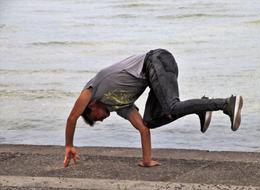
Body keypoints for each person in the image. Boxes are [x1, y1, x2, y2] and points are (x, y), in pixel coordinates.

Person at [63, 48, 243, 167]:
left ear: (91, 105)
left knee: (171, 107)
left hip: (157, 60)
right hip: (156, 76)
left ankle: (226, 103)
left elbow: (72, 118)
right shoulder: (121, 107)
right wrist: (146, 160)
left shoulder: (92, 90)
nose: (101, 119)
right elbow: (143, 129)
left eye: (95, 117)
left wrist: (69, 145)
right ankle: (201, 108)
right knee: (150, 120)